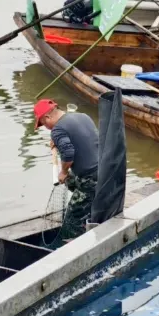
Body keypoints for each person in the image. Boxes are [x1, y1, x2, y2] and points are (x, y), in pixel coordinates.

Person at [35, 99, 99, 245]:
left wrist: (63, 171)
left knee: (72, 218)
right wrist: (58, 141)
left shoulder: (58, 129)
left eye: (44, 125)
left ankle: (73, 249)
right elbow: (86, 140)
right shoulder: (83, 116)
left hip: (90, 178)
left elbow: (69, 153)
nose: (47, 129)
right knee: (70, 181)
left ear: (47, 117)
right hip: (105, 171)